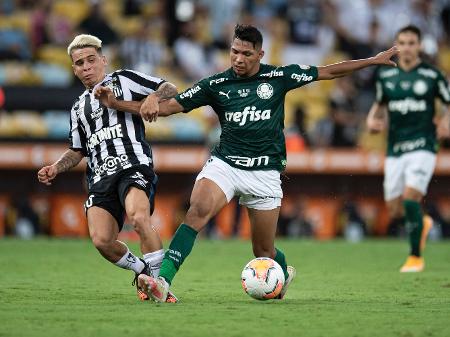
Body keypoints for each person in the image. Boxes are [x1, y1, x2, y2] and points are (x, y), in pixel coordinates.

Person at [96, 24, 398, 302]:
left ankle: (281, 271)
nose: (238, 58)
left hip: (264, 172)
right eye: (234, 51)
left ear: (260, 54)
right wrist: (116, 104)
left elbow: (328, 72)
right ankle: (163, 281)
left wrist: (372, 61)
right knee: (197, 211)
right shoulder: (215, 84)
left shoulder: (278, 77)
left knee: (263, 251)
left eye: (246, 53)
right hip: (225, 164)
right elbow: (167, 108)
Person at [37, 34, 179, 302]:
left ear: (103, 60)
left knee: (138, 218)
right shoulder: (78, 107)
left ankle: (161, 285)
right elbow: (78, 149)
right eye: (80, 63)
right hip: (100, 176)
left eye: (91, 60)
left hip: (133, 164)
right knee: (102, 240)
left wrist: (152, 98)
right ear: (74, 69)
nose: (86, 66)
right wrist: (56, 166)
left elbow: (169, 87)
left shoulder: (123, 79)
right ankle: (142, 270)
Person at [366, 25, 450, 272]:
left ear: (420, 46)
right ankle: (421, 223)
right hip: (395, 148)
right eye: (402, 42)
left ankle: (415, 257)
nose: (407, 47)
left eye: (412, 42)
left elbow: (448, 104)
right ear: (396, 45)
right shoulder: (386, 76)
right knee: (395, 210)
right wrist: (372, 120)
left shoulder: (433, 75)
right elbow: (379, 107)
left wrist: (445, 123)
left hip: (423, 144)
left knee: (411, 197)